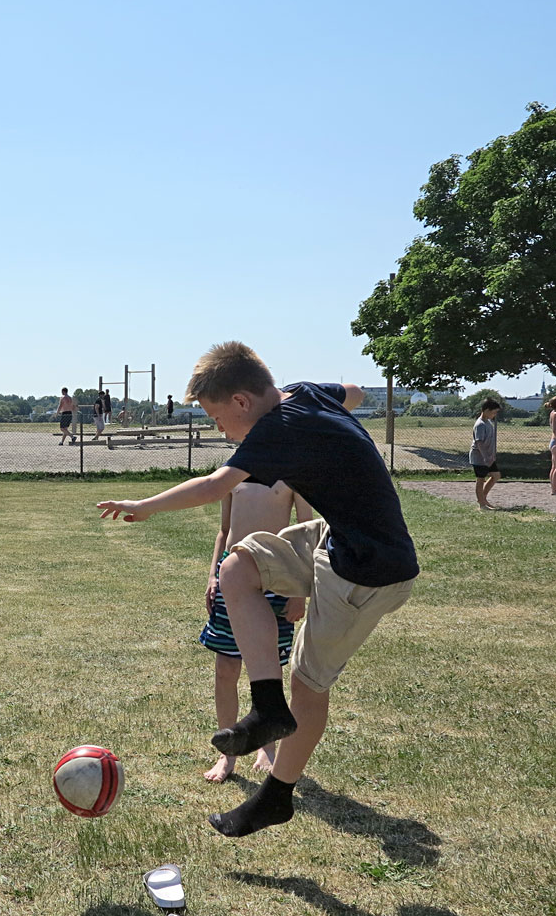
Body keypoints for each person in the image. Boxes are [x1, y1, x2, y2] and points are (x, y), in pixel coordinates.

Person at [98, 341, 418, 838]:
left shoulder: (277, 428)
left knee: (309, 688)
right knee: (235, 568)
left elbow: (213, 485)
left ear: (243, 402)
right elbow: (353, 392)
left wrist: (144, 505)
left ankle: (276, 797)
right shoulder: (305, 394)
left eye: (218, 418)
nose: (220, 431)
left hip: (367, 571)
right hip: (337, 540)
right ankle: (267, 707)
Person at [202, 481, 311, 783]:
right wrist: (213, 575)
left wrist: (299, 591)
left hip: (277, 578)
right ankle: (228, 753)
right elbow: (224, 530)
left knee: (267, 668)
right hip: (233, 575)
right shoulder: (234, 470)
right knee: (225, 668)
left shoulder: (292, 473)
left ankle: (268, 747)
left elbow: (306, 532)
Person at [470, 399, 502, 509]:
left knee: (496, 475)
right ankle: (482, 505)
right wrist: (486, 457)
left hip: (488, 457)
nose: (495, 414)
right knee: (480, 479)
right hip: (479, 457)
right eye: (494, 412)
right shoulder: (480, 424)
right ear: (487, 410)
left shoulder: (488, 422)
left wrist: (491, 456)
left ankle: (483, 498)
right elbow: (479, 443)